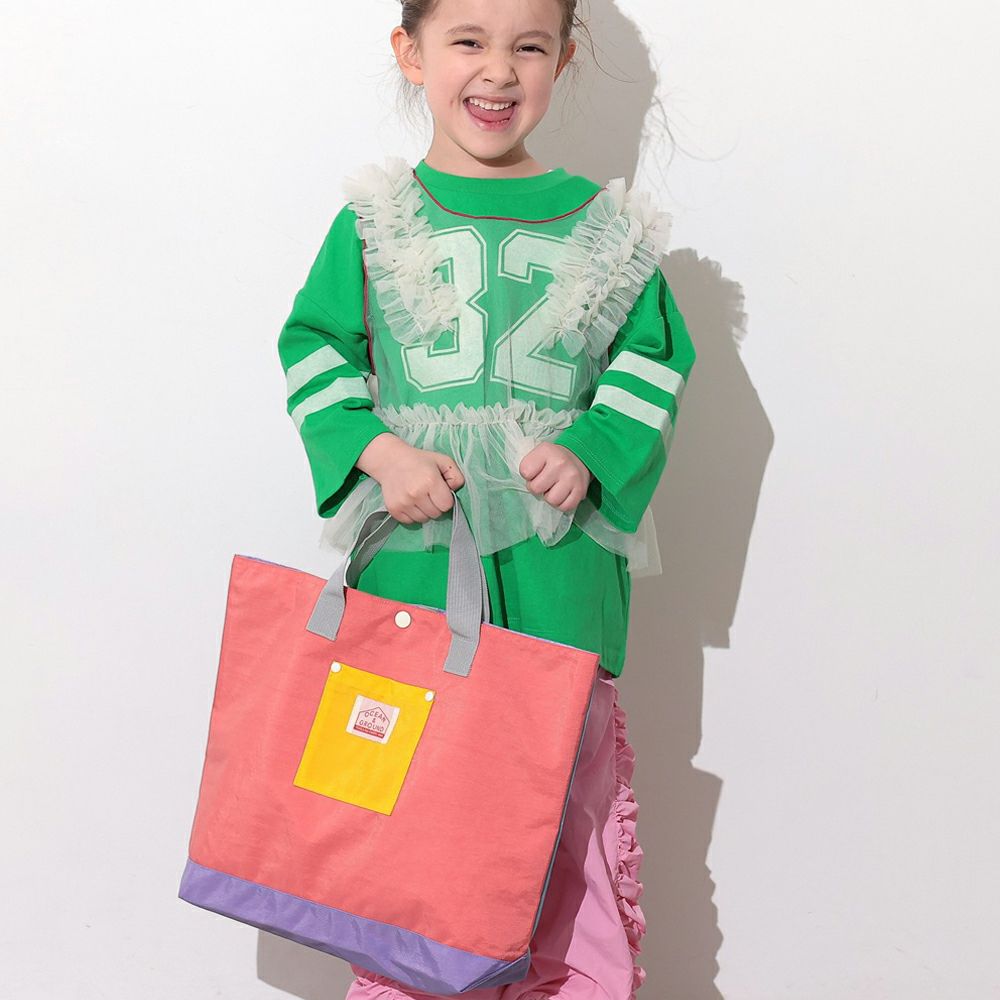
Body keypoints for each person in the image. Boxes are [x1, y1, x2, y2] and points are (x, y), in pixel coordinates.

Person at [276, 1, 696, 997]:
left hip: (555, 566)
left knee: (552, 805)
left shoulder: (606, 228)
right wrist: (380, 451)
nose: (497, 71)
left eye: (528, 46)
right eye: (468, 40)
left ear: (563, 57)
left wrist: (591, 448)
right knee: (410, 809)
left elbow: (654, 359)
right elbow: (313, 345)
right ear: (411, 53)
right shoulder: (374, 219)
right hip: (415, 564)